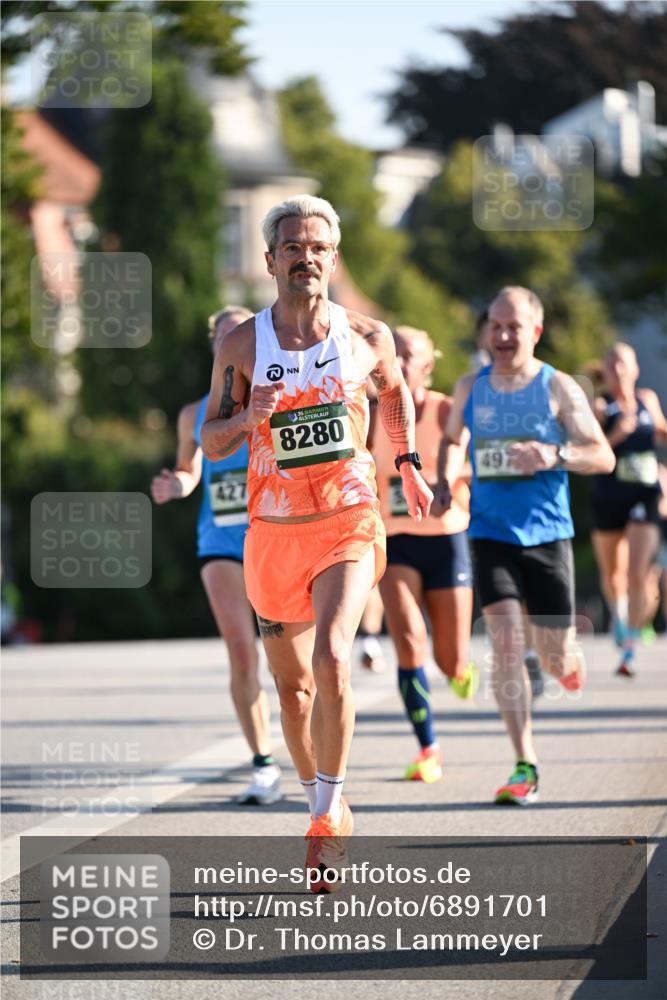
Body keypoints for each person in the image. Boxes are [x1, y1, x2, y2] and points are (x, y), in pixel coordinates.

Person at [201, 195, 432, 891]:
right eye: (292, 248)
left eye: (318, 248)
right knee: (293, 692)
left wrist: (409, 463)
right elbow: (208, 436)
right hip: (271, 533)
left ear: (334, 257)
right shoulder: (240, 344)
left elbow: (393, 396)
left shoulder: (368, 335)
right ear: (270, 260)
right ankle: (322, 800)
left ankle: (325, 821)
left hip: (347, 516)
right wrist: (246, 420)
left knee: (333, 656)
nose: (306, 258)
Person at [444, 286, 615, 806]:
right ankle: (525, 763)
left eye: (512, 326)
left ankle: (565, 659)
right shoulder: (470, 386)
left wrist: (554, 453)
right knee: (505, 646)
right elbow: (453, 440)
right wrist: (444, 480)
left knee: (554, 654)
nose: (500, 335)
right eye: (493, 325)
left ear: (534, 332)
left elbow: (602, 456)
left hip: (547, 535)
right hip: (491, 534)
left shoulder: (558, 386)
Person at [150, 306, 282, 805]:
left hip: (276, 537)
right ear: (216, 350)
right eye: (225, 338)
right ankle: (264, 763)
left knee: (286, 658)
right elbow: (190, 470)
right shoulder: (194, 414)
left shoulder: (279, 396)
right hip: (221, 542)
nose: (235, 344)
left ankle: (310, 740)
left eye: (243, 334)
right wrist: (176, 485)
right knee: (241, 649)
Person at [372, 325, 476, 783]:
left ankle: (459, 668)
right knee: (409, 640)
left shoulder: (446, 410)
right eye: (393, 354)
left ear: (428, 365)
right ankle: (428, 749)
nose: (401, 362)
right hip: (394, 539)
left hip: (446, 536)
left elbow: (471, 464)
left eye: (409, 355)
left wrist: (446, 484)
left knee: (449, 659)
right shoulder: (370, 413)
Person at [590, 343, 667, 675]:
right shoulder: (600, 407)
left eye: (624, 362)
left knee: (638, 572)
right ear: (606, 371)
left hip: (645, 495)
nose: (619, 369)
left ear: (635, 368)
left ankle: (631, 647)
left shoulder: (648, 399)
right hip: (608, 496)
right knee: (612, 576)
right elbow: (590, 452)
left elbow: (662, 433)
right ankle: (619, 618)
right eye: (613, 363)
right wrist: (618, 435)